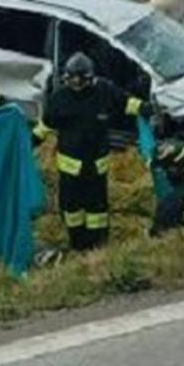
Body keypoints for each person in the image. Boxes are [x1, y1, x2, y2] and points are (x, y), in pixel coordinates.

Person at [35, 53, 150, 250]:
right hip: (69, 169)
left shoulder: (105, 90)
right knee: (72, 210)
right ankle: (78, 244)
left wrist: (144, 108)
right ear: (66, 78)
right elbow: (45, 127)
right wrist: (29, 142)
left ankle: (99, 245)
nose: (77, 83)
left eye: (81, 79)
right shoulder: (59, 99)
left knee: (97, 210)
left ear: (90, 78)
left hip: (97, 166)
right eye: (72, 79)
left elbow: (125, 102)